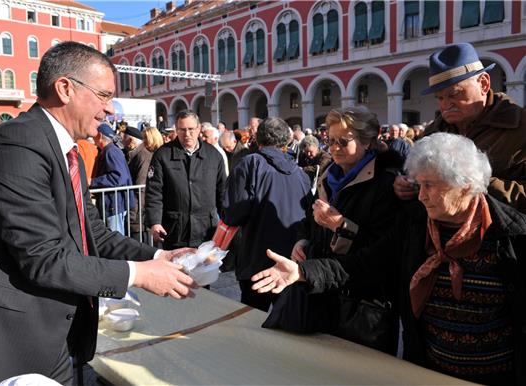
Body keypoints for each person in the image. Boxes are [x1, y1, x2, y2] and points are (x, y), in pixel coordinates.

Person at [0, 42, 195, 385]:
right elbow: (43, 257)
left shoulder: (62, 148)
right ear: (65, 88)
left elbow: (93, 232)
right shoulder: (16, 144)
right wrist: (139, 274)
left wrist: (160, 255)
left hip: (48, 340)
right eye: (104, 96)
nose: (110, 110)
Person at [253, 133, 526, 385]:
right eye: (419, 185)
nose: (420, 196)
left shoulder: (512, 235)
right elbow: (363, 265)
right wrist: (302, 272)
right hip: (427, 373)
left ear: (465, 186)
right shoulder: (415, 226)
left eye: (430, 186)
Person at [252, 106, 404, 353]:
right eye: (330, 140)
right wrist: (302, 241)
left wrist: (341, 226)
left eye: (343, 141)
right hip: (324, 294)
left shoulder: (386, 184)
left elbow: (383, 253)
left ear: (367, 142)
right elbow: (310, 221)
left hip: (363, 305)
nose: (334, 147)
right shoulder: (329, 174)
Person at [394, 42, 526, 213]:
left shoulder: (521, 127)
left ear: (484, 84)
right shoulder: (434, 133)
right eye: (439, 98)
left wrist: (477, 184)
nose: (445, 105)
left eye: (454, 94)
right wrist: (406, 183)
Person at [222, 117, 312, 311]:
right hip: (290, 263)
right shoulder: (301, 174)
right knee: (286, 326)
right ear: (286, 141)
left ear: (258, 139)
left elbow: (233, 213)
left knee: (253, 326)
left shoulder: (250, 164)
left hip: (257, 261)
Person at [145, 110, 226, 249]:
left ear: (199, 129)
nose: (187, 134)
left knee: (206, 270)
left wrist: (228, 220)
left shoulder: (213, 155)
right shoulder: (163, 155)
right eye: (182, 130)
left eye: (191, 129)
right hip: (175, 231)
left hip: (207, 230)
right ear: (176, 130)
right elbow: (154, 192)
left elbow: (222, 191)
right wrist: (154, 221)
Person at [91, 123, 134, 235]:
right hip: (113, 204)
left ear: (100, 136)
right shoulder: (109, 150)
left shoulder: (110, 151)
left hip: (113, 204)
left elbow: (119, 177)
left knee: (116, 239)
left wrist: (92, 182)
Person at [127, 126, 163, 241]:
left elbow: (141, 186)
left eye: (145, 138)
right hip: (142, 211)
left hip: (140, 213)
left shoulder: (144, 155)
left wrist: (135, 214)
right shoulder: (148, 154)